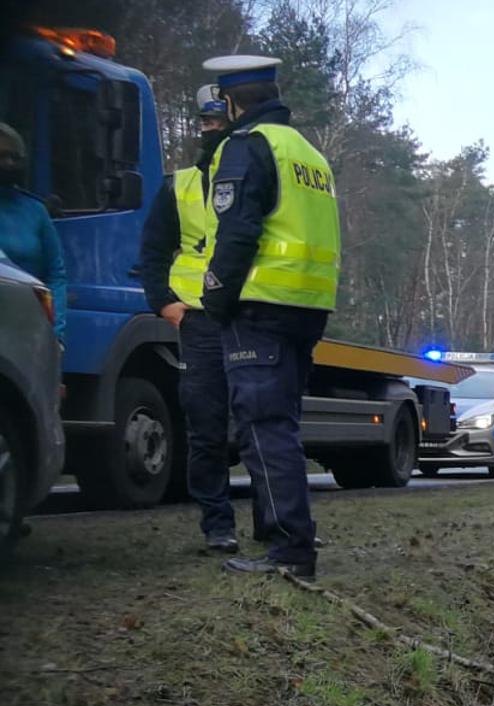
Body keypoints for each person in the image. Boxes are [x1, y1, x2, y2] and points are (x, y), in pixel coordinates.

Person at [199, 55, 340, 579]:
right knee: (282, 426)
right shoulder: (310, 155)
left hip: (260, 303)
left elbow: (237, 230)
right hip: (306, 307)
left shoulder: (248, 146)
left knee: (263, 425)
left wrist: (215, 297)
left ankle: (288, 549)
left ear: (232, 101)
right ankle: (286, 538)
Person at [134, 85, 239, 553]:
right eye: (207, 123)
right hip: (198, 320)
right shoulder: (179, 186)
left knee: (263, 421)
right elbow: (152, 252)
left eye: (220, 122)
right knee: (205, 421)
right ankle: (218, 524)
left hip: (253, 315)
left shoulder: (257, 175)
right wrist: (165, 303)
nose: (212, 130)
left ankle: (275, 523)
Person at [0, 122, 66, 340]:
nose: (8, 163)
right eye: (1, 156)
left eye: (14, 157)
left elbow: (56, 274)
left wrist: (56, 332)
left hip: (27, 332)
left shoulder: (35, 211)